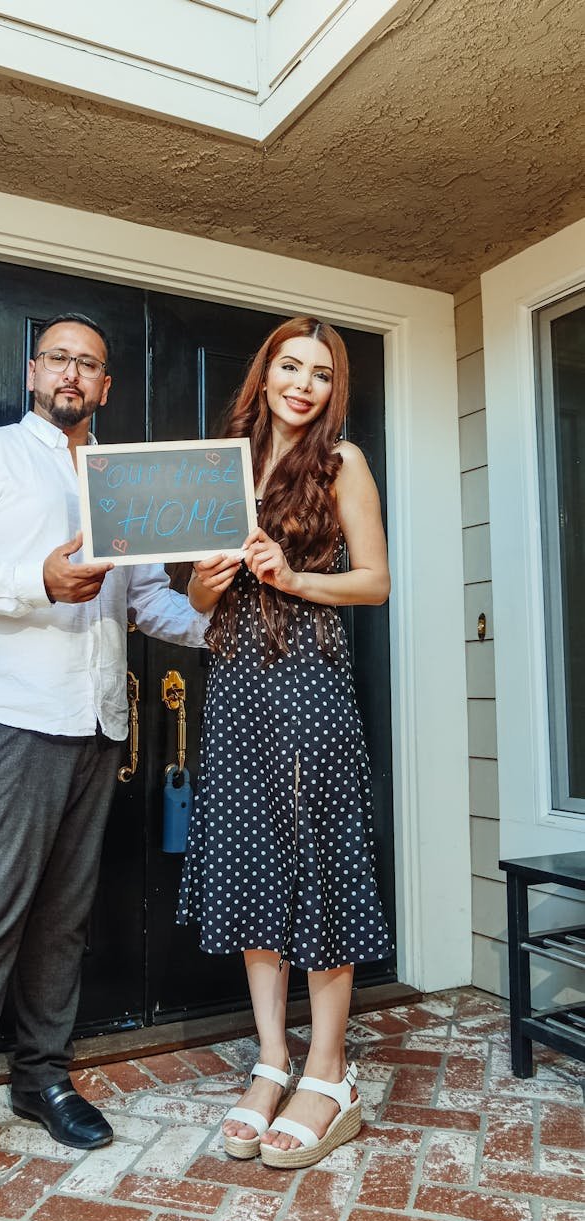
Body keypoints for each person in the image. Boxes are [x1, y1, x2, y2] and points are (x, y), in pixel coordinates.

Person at [0, 313, 207, 1221]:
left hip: (96, 726)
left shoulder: (126, 483)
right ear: (35, 371)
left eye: (91, 364)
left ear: (106, 387)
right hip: (7, 719)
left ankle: (41, 1078)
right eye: (60, 358)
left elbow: (148, 596)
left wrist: (211, 611)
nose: (74, 374)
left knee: (63, 921)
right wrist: (34, 581)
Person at [177, 315, 392, 1170]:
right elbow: (198, 607)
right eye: (289, 366)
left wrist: (292, 575)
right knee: (252, 861)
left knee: (317, 861)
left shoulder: (343, 464)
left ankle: (331, 1072)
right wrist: (200, 583)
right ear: (264, 375)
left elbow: (375, 582)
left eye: (322, 373)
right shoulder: (220, 459)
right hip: (234, 689)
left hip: (309, 684)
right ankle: (273, 1057)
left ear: (334, 389)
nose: (304, 383)